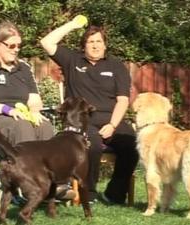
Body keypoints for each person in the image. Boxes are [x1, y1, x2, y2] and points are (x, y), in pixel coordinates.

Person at [0, 20, 73, 200]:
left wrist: (35, 111)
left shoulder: (23, 68)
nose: (16, 49)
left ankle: (56, 184)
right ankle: (31, 183)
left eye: (19, 45)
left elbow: (34, 99)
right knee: (22, 127)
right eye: (11, 45)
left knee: (45, 126)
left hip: (20, 114)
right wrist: (5, 109)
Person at [40, 16, 139, 204]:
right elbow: (46, 42)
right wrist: (73, 24)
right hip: (80, 118)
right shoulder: (72, 60)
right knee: (91, 145)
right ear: (83, 46)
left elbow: (123, 100)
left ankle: (114, 194)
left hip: (111, 118)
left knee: (132, 144)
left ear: (105, 45)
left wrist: (112, 124)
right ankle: (90, 194)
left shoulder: (117, 66)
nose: (95, 45)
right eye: (90, 42)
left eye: (99, 41)